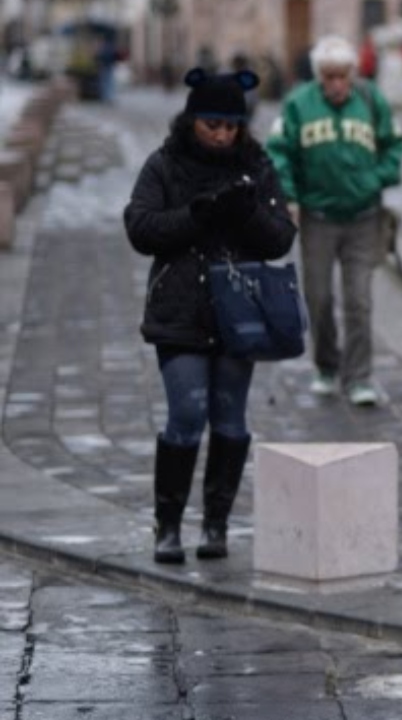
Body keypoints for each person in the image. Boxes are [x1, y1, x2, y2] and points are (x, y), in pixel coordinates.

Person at [123, 68, 297, 564]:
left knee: (230, 418)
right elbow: (140, 226)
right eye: (212, 124)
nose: (222, 135)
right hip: (180, 309)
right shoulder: (165, 165)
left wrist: (246, 213)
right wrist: (196, 215)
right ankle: (169, 525)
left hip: (239, 313)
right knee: (186, 414)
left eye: (231, 125)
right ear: (193, 119)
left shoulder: (256, 165)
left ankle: (216, 524)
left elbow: (282, 236)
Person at [267, 35, 402, 406]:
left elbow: (394, 143)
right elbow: (279, 152)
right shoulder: (298, 103)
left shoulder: (371, 99)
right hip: (318, 217)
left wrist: (376, 179)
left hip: (364, 217)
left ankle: (359, 377)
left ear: (352, 74)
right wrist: (290, 196)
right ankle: (327, 365)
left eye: (343, 76)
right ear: (318, 77)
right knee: (320, 297)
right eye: (328, 77)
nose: (337, 84)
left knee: (359, 300)